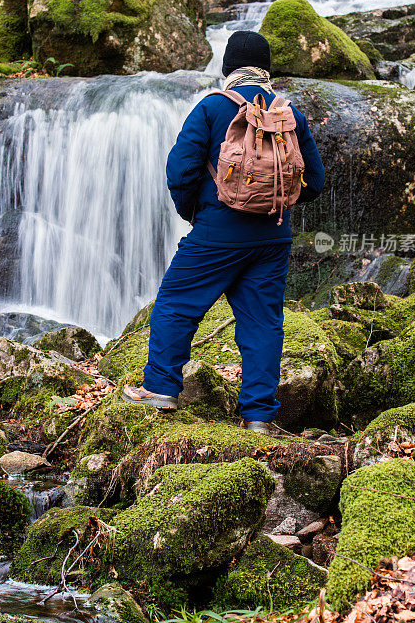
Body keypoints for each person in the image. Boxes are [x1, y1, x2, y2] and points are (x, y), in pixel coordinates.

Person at [123, 31, 325, 434]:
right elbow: (314, 182)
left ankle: (161, 388)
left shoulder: (213, 108)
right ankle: (259, 416)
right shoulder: (290, 114)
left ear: (227, 67)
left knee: (177, 303)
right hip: (272, 237)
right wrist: (272, 205)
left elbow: (180, 170)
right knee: (263, 322)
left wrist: (195, 212)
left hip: (216, 235)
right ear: (266, 68)